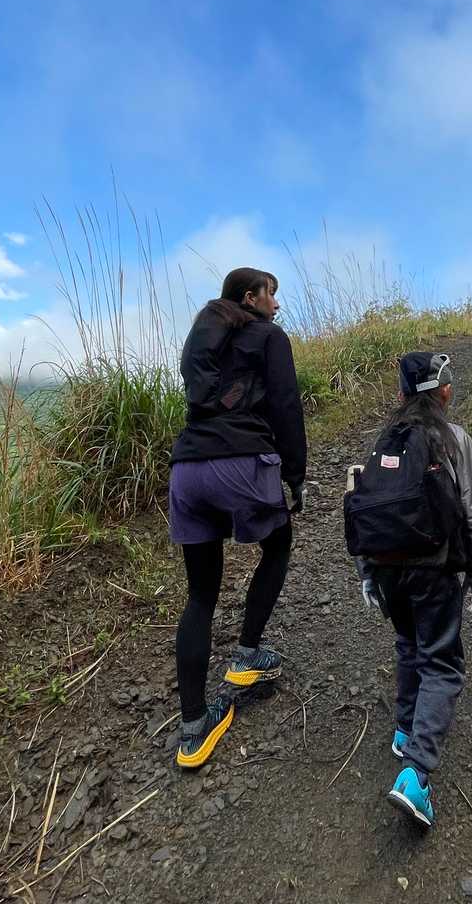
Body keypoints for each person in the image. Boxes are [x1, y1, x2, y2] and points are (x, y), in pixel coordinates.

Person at [345, 352, 472, 828]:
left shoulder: (385, 439)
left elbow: (364, 504)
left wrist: (367, 572)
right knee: (442, 663)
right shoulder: (453, 439)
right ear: (443, 391)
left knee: (408, 645)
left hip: (387, 570)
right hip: (434, 570)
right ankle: (416, 772)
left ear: (402, 394)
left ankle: (405, 728)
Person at [168, 267, 307, 769]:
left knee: (200, 594)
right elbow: (286, 406)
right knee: (279, 544)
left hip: (187, 469)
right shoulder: (269, 337)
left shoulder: (205, 339)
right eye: (272, 294)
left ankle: (193, 728)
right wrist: (295, 475)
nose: (277, 304)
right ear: (251, 297)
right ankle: (247, 653)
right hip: (241, 462)